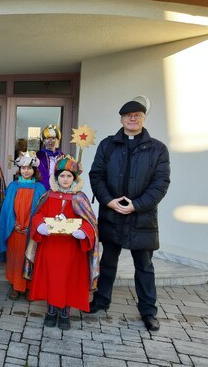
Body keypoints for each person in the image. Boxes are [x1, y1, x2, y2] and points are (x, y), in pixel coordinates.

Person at [88, 99, 170, 332]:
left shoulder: (158, 149)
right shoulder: (107, 145)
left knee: (144, 266)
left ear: (144, 118)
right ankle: (101, 301)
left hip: (141, 217)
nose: (132, 119)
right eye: (128, 115)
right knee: (108, 262)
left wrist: (137, 205)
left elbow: (161, 183)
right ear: (121, 119)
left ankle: (148, 311)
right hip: (112, 213)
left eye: (137, 115)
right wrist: (108, 201)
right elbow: (96, 175)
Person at [28, 155, 99, 330]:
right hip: (51, 247)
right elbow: (37, 215)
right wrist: (40, 226)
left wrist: (84, 232)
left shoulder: (80, 198)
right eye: (62, 176)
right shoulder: (48, 195)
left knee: (69, 280)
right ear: (56, 177)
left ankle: (66, 313)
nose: (65, 179)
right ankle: (51, 311)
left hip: (72, 249)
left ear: (74, 178)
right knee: (51, 279)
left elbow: (91, 223)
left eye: (69, 176)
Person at [0, 151, 46, 300]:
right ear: (19, 169)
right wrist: (14, 224)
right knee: (15, 259)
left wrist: (31, 227)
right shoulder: (13, 186)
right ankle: (15, 286)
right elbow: (7, 210)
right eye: (23, 168)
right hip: (15, 229)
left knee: (29, 258)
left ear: (35, 170)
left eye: (29, 168)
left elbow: (42, 210)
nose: (26, 171)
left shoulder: (40, 188)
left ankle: (28, 287)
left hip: (30, 232)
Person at [36, 124, 64, 191]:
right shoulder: (39, 155)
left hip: (59, 187)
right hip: (43, 188)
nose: (50, 141)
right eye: (47, 138)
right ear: (43, 141)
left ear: (57, 140)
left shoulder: (61, 155)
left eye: (53, 138)